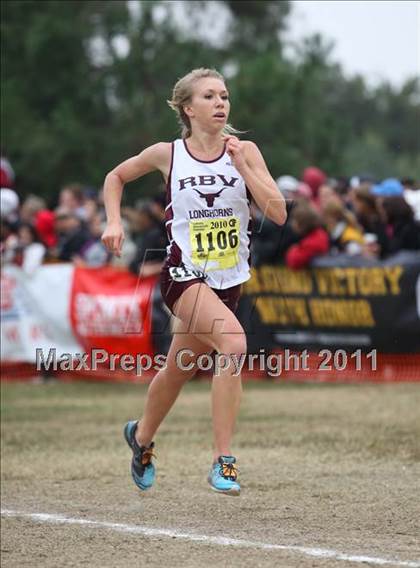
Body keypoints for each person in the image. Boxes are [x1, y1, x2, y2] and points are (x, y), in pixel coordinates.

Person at [101, 68, 286, 496]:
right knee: (234, 343)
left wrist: (243, 166)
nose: (221, 103)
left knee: (178, 369)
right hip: (183, 276)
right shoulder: (168, 153)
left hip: (229, 279)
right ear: (188, 108)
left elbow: (278, 213)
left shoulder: (245, 151)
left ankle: (141, 438)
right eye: (209, 96)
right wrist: (114, 222)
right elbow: (115, 177)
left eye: (224, 96)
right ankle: (224, 461)